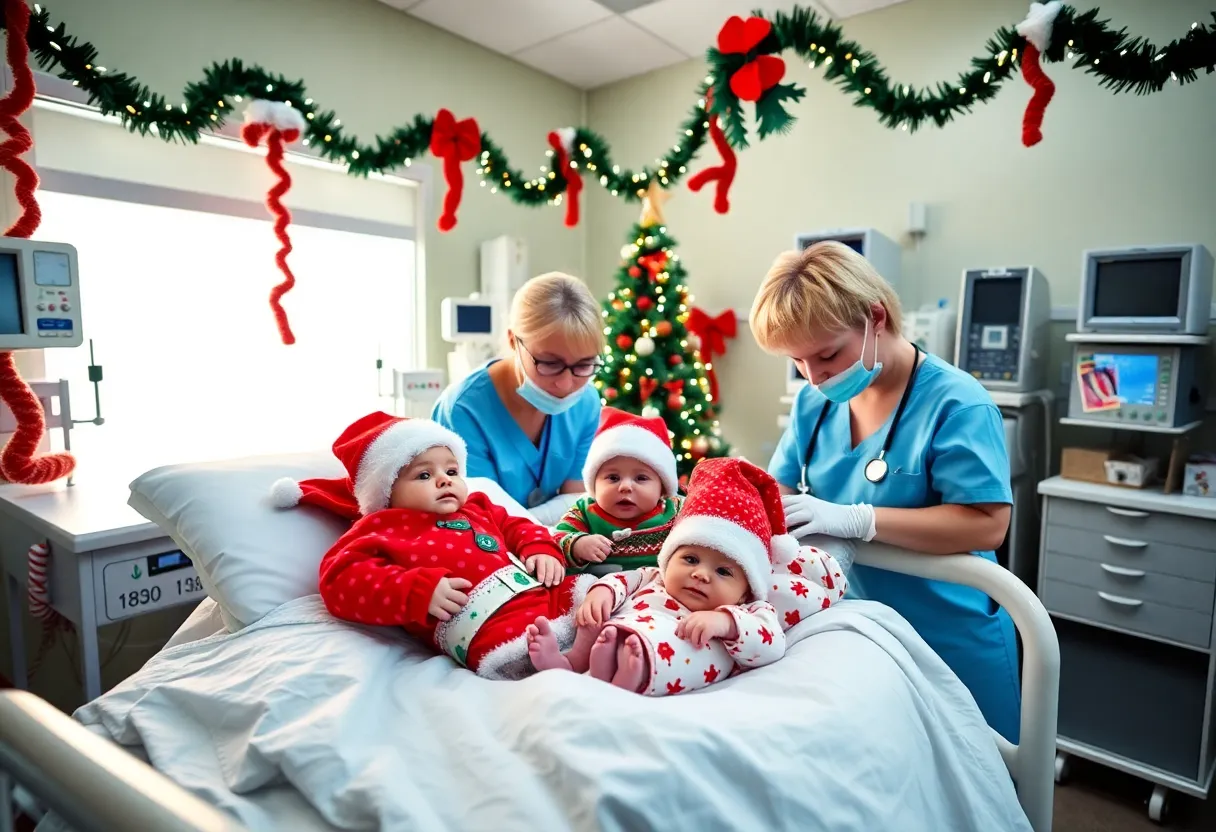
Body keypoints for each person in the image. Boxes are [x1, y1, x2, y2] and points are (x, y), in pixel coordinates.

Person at [749, 241, 1021, 742]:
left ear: (875, 317)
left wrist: (859, 520)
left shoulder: (957, 403)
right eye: (798, 362)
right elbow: (776, 498)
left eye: (828, 354)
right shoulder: (816, 407)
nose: (815, 376)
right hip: (858, 634)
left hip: (949, 634)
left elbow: (987, 523)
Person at [270, 411, 597, 680]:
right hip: (483, 621)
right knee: (517, 641)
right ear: (387, 491)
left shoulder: (477, 506)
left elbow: (517, 525)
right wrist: (415, 592)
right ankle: (555, 662)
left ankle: (601, 645)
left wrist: (539, 547)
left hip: (534, 592)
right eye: (423, 475)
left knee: (593, 591)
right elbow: (340, 579)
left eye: (452, 471)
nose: (444, 480)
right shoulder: (380, 527)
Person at [527, 458, 846, 695]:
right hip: (621, 633)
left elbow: (771, 644)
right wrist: (602, 594)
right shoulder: (655, 577)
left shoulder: (746, 611)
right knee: (595, 623)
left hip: (663, 653)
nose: (700, 574)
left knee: (687, 651)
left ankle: (627, 682)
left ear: (746, 589)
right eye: (690, 559)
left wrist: (726, 624)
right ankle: (571, 663)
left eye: (723, 571)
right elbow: (623, 581)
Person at [431, 272, 604, 517]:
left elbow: (575, 501)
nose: (566, 384)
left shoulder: (585, 403)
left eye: (583, 365)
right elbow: (483, 515)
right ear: (513, 341)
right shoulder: (462, 410)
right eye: (550, 363)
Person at [554, 407, 683, 573]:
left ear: (663, 489)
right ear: (594, 484)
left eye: (641, 478)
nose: (625, 487)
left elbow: (701, 531)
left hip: (657, 586)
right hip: (597, 589)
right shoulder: (585, 511)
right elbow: (555, 539)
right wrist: (577, 545)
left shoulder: (676, 510)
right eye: (613, 478)